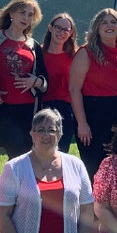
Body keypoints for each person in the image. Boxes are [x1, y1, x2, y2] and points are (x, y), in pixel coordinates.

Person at [0, 107, 95, 233]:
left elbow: (88, 208)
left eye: (52, 129)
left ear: (60, 134)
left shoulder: (75, 165)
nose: (46, 135)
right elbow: (1, 214)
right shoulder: (14, 168)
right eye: (40, 130)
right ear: (32, 134)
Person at [69, 8, 117, 179]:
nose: (109, 26)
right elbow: (74, 89)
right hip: (95, 118)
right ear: (97, 27)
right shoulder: (86, 52)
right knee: (96, 172)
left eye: (113, 22)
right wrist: (82, 123)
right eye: (104, 22)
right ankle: (94, 206)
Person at [0, 0, 48, 159]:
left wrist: (36, 81)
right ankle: (16, 184)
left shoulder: (34, 45)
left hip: (28, 111)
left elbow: (45, 82)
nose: (26, 18)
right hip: (2, 109)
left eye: (30, 15)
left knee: (24, 157)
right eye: (22, 13)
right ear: (11, 13)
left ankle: (20, 184)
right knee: (17, 154)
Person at [40, 13, 78, 152]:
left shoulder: (76, 55)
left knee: (61, 151)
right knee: (41, 151)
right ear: (50, 28)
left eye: (66, 30)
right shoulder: (38, 52)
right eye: (58, 28)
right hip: (42, 108)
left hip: (66, 110)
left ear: (71, 33)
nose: (61, 33)